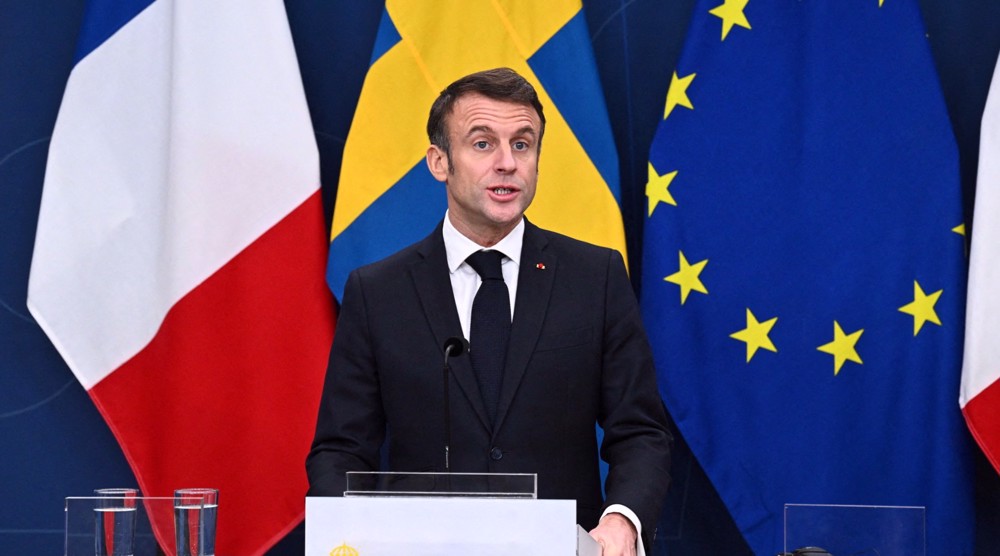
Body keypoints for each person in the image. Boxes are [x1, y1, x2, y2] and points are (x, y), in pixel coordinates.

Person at [307, 67, 672, 555]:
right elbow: (340, 449)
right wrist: (347, 539)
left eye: (522, 144)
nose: (507, 163)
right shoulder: (379, 292)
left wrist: (622, 521)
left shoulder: (595, 277)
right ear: (440, 161)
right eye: (482, 144)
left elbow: (640, 432)